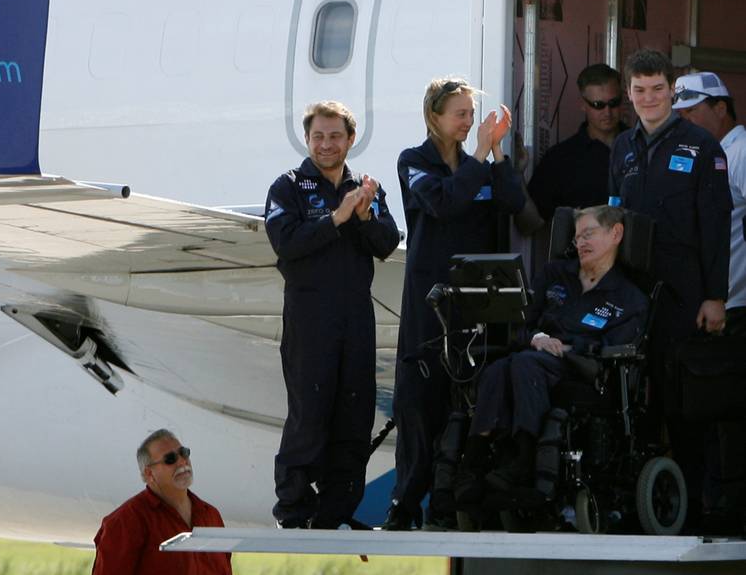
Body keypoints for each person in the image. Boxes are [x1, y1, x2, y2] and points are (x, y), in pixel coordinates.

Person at [384, 77, 525, 531]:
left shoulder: (477, 162)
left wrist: (497, 153)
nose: (469, 122)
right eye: (460, 114)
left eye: (471, 114)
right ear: (435, 117)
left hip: (476, 303)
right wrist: (480, 156)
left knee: (465, 403)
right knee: (419, 403)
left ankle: (449, 505)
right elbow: (443, 203)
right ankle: (405, 504)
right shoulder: (414, 161)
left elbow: (514, 202)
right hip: (430, 302)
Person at [608, 49, 733, 528]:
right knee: (634, 401)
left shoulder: (702, 146)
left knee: (685, 404)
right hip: (631, 293)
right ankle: (638, 507)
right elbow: (610, 217)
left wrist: (715, 296)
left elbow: (716, 227)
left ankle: (697, 508)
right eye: (639, 90)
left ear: (672, 91)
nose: (649, 98)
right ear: (629, 93)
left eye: (657, 89)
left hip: (685, 293)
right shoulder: (623, 147)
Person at [264, 100, 401, 529]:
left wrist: (363, 216)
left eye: (335, 136)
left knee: (354, 417)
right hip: (310, 316)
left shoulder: (365, 188)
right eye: (318, 136)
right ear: (307, 139)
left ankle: (336, 513)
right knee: (309, 413)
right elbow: (286, 243)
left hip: (356, 316)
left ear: (350, 140)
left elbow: (387, 243)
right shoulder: (287, 187)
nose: (326, 144)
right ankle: (293, 511)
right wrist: (336, 219)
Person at [453, 206, 648, 501]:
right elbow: (520, 324)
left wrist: (567, 348)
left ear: (616, 234)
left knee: (523, 366)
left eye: (589, 234)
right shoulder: (554, 275)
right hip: (534, 356)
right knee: (496, 369)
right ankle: (473, 463)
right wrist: (538, 338)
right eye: (577, 237)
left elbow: (616, 347)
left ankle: (524, 459)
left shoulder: (631, 298)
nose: (580, 243)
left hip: (583, 369)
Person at [673, 71, 746, 532]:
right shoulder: (705, 153)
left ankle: (729, 507)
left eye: (693, 111)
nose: (685, 120)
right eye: (680, 114)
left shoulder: (740, 150)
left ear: (721, 108)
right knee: (710, 412)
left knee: (729, 413)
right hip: (712, 309)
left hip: (736, 307)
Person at [92, 429, 232, 575]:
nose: (182, 461)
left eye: (184, 453)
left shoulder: (212, 516)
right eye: (170, 459)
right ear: (149, 474)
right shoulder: (125, 521)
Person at [529, 64, 627, 223]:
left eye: (614, 103)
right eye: (598, 105)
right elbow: (532, 222)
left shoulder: (642, 146)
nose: (607, 112)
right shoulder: (560, 159)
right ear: (583, 104)